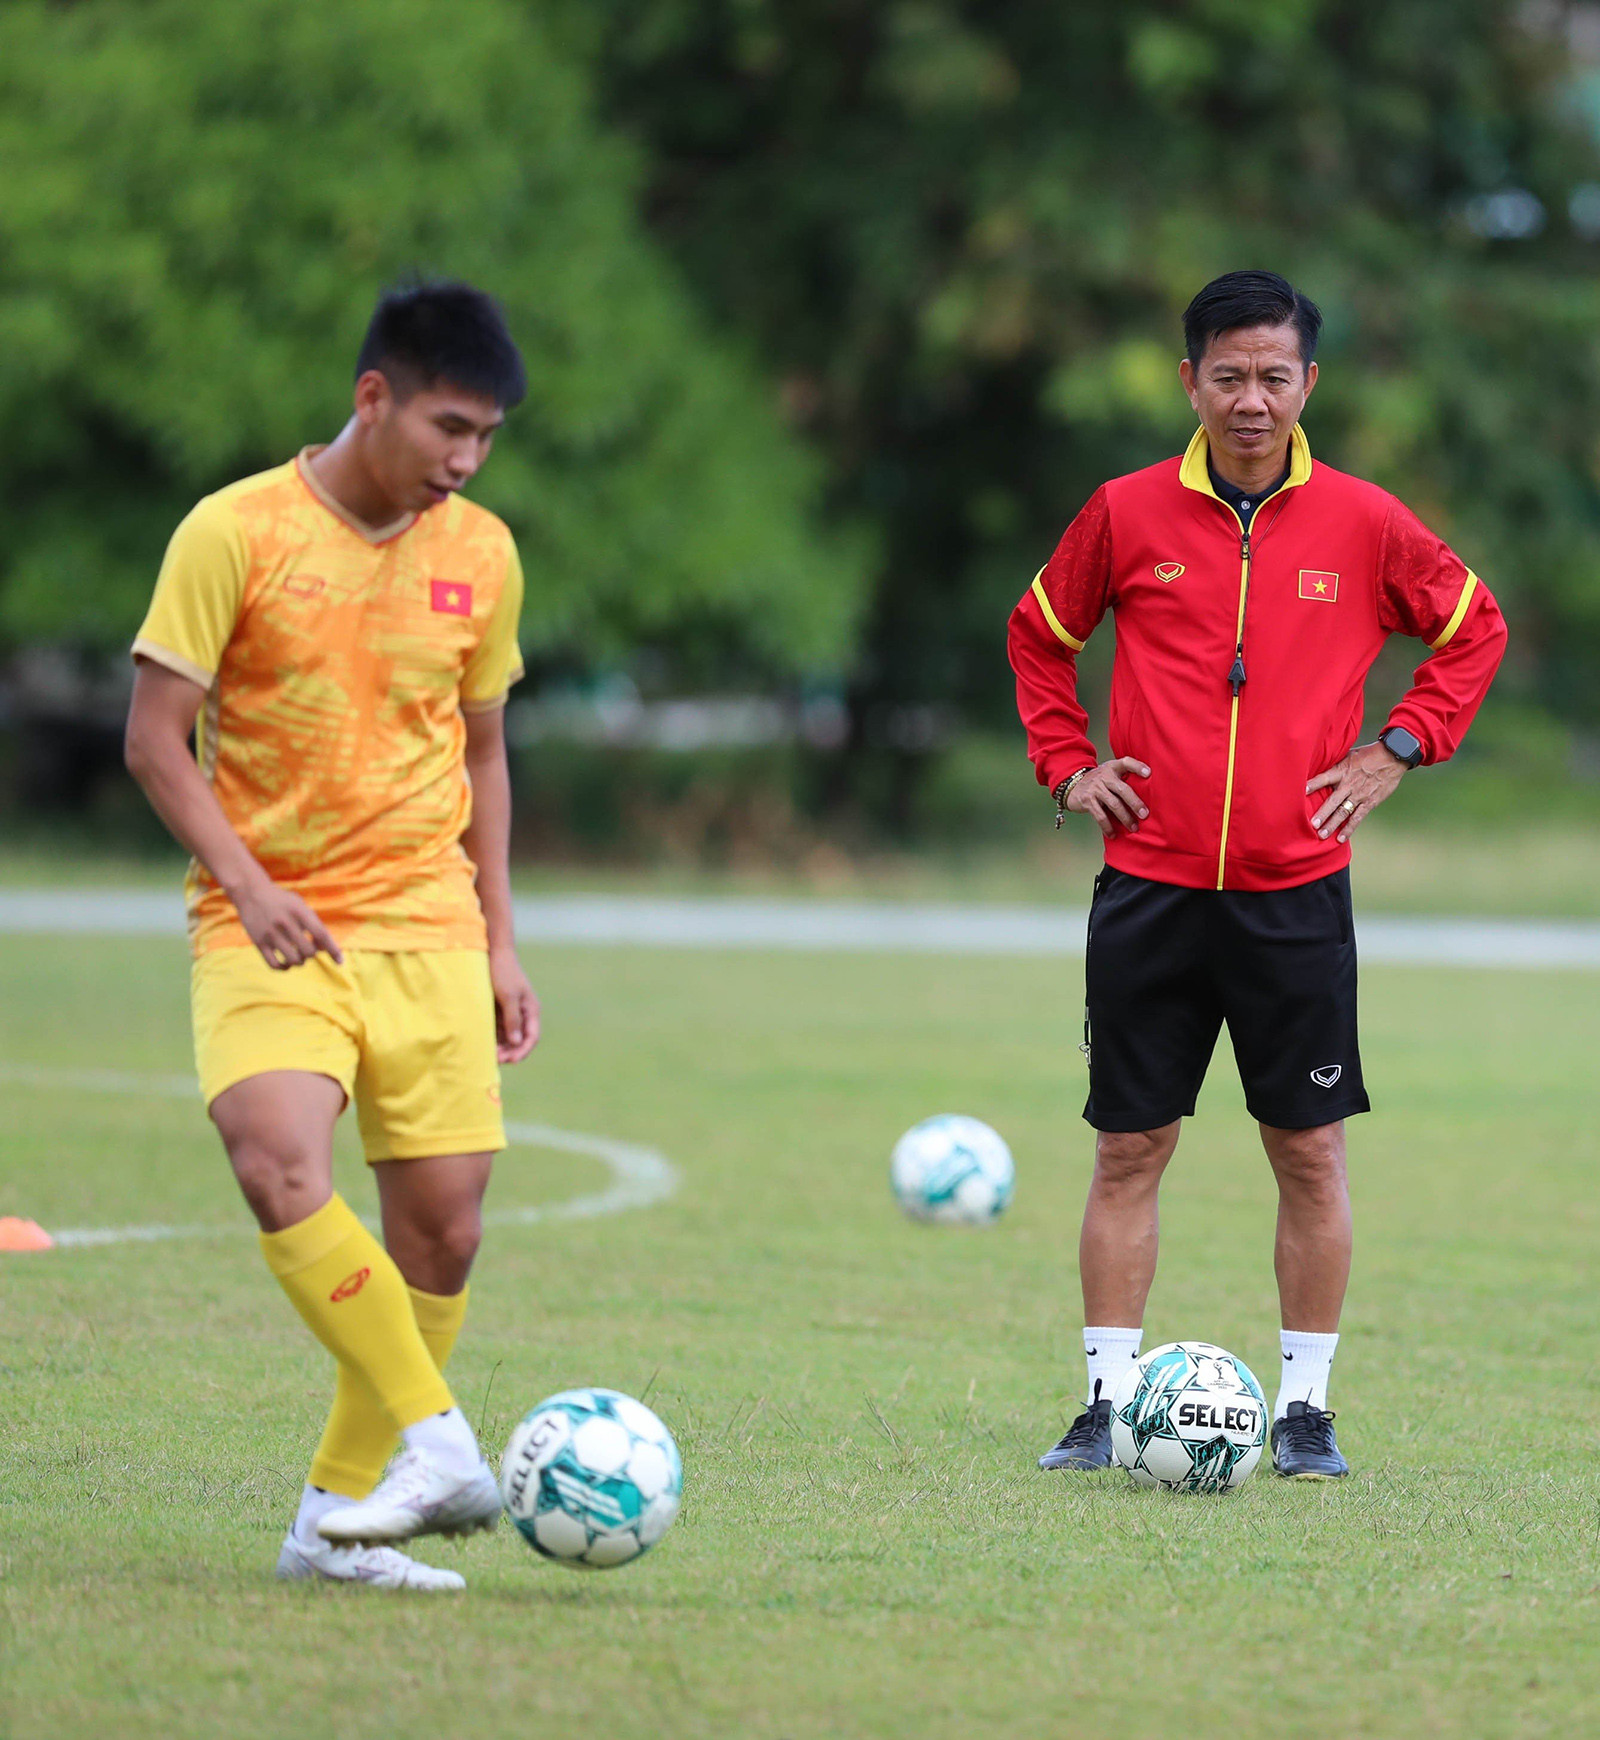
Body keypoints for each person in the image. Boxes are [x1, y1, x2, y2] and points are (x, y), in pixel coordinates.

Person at [1008, 270, 1507, 1479]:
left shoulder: (1366, 521)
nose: (1248, 399)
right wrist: (1067, 764)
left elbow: (1472, 626)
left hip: (1294, 894)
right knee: (1129, 1151)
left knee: (1310, 1154)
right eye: (1225, 375)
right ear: (1190, 381)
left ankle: (1306, 1414)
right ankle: (1106, 1404)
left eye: (1272, 376)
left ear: (1306, 384)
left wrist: (1398, 747)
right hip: (1150, 887)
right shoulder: (1124, 513)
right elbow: (1038, 634)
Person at [124, 280, 539, 1587]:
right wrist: (246, 885)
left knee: (445, 1235)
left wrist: (504, 941)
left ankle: (331, 1525)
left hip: (430, 923)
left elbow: (484, 752)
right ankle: (438, 1440)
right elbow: (152, 739)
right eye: (448, 429)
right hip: (272, 920)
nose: (464, 463)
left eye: (485, 439)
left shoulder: (484, 550)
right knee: (275, 1162)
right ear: (375, 398)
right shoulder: (231, 531)